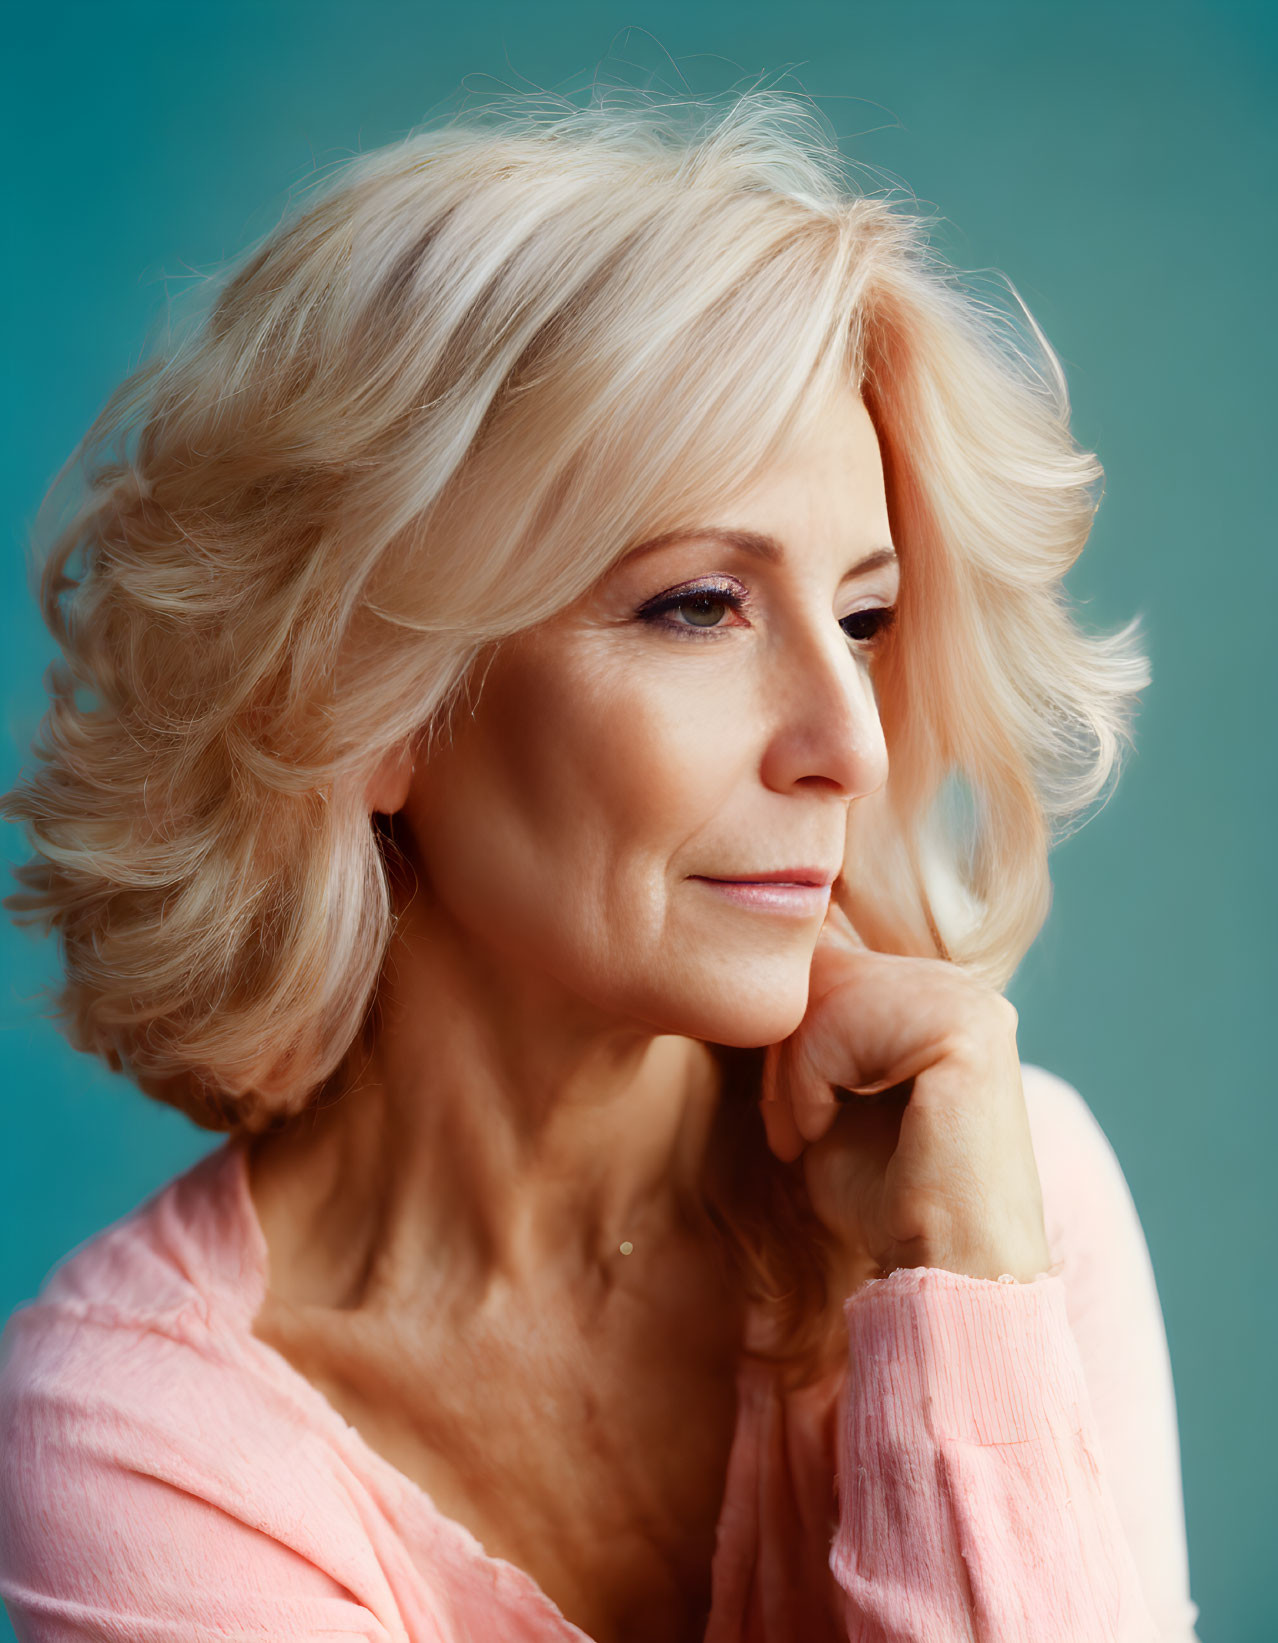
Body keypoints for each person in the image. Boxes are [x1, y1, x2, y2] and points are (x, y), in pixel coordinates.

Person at [0, 88, 1200, 1642]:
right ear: (362, 705)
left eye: (862, 618)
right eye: (698, 607)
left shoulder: (994, 1193)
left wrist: (959, 1291)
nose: (850, 744)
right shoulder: (140, 1445)